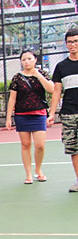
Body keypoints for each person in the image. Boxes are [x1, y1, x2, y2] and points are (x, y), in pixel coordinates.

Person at [6, 50, 55, 184]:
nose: (26, 62)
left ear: (35, 60)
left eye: (29, 59)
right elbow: (12, 98)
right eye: (24, 59)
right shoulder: (17, 77)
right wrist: (8, 117)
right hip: (22, 115)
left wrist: (38, 75)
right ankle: (28, 174)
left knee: (40, 145)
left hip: (39, 114)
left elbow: (51, 89)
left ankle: (38, 170)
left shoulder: (42, 74)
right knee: (25, 144)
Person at [48, 28, 78, 192]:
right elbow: (57, 91)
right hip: (69, 113)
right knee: (74, 148)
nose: (72, 45)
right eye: (69, 42)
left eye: (75, 41)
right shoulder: (61, 67)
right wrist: (51, 113)